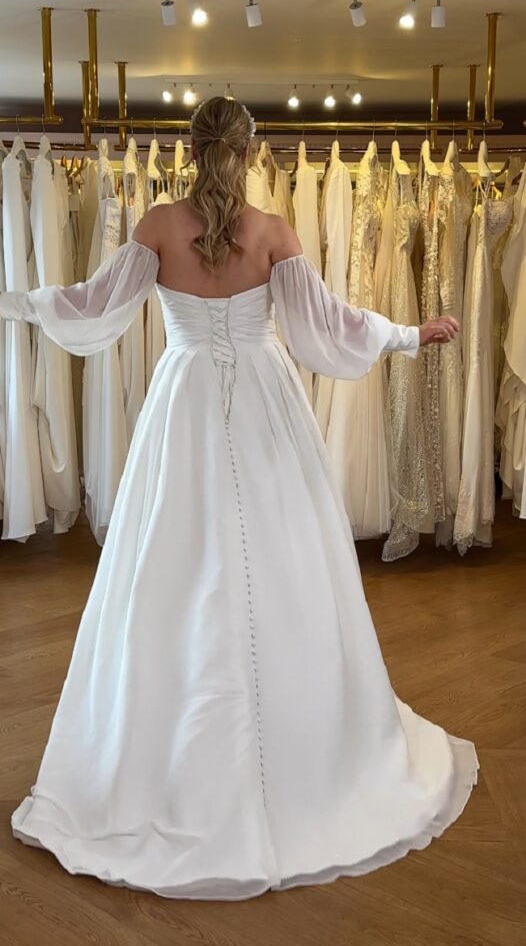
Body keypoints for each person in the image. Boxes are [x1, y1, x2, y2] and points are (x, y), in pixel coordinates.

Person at [0, 97, 478, 901]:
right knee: (284, 563)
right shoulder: (273, 234)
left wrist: (14, 301)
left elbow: (91, 307)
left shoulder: (158, 226)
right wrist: (407, 334)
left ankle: (161, 750)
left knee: (175, 560)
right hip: (265, 399)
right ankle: (310, 753)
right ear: (250, 154)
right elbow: (329, 330)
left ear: (190, 152)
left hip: (183, 398)